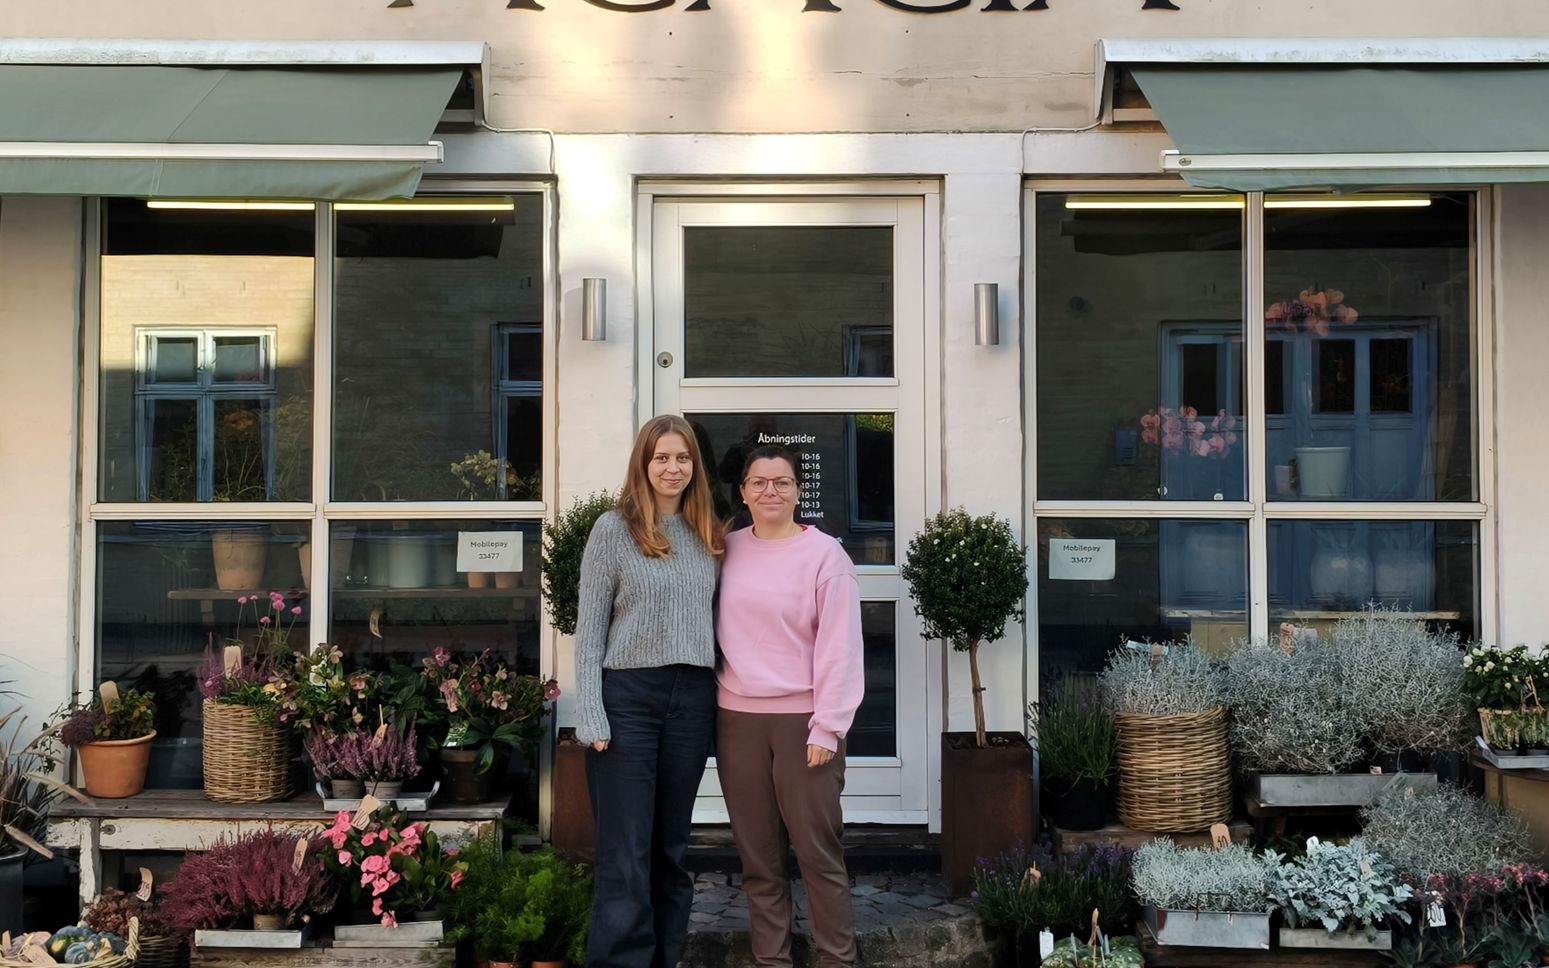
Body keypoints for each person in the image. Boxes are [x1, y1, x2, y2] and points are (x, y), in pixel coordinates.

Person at [574, 414, 724, 968]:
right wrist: (591, 714)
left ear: (695, 466)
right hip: (629, 700)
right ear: (643, 463)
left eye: (682, 458)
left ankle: (664, 958)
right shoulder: (613, 530)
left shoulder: (709, 533)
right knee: (626, 851)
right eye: (662, 457)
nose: (672, 467)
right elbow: (589, 630)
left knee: (671, 849)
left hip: (692, 700)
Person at [715, 442, 865, 968]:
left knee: (818, 854)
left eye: (782, 482)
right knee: (759, 861)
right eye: (759, 483)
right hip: (737, 721)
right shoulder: (725, 550)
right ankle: (771, 961)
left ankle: (837, 959)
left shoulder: (826, 556)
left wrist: (829, 725)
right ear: (743, 493)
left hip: (805, 723)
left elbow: (841, 648)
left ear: (799, 491)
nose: (770, 491)